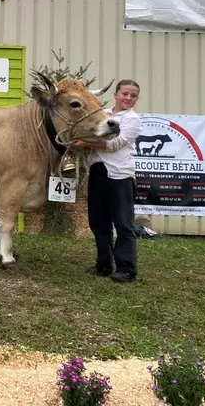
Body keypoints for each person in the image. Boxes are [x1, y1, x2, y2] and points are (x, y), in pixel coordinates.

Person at [74, 79, 143, 283]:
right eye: (125, 94)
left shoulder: (132, 120)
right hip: (98, 172)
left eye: (133, 96)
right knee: (98, 222)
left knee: (123, 224)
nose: (128, 99)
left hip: (119, 176)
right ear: (116, 95)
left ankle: (127, 268)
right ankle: (103, 264)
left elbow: (115, 144)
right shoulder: (104, 114)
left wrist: (85, 143)